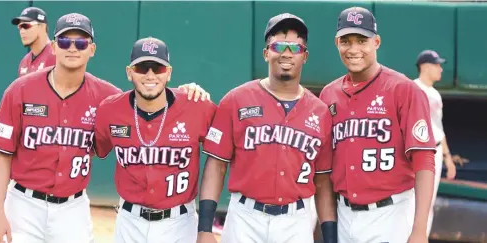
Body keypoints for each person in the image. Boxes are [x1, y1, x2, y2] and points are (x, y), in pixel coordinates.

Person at [0, 13, 207, 243]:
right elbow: (1, 154)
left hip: (72, 209)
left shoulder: (108, 97)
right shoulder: (19, 90)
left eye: (81, 42)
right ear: (53, 46)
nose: (73, 48)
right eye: (64, 41)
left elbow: (148, 101)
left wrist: (187, 92)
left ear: (91, 49)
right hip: (24, 204)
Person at [196, 13, 337, 243]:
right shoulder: (236, 100)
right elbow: (216, 166)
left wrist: (330, 238)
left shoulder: (320, 112)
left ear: (305, 56)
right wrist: (205, 228)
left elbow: (322, 182)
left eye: (295, 47)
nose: (286, 53)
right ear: (266, 53)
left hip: (296, 221)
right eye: (278, 45)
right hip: (245, 217)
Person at [319, 7, 437, 243]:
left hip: (390, 214)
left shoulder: (403, 90)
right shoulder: (328, 95)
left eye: (361, 40)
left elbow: (424, 159)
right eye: (346, 41)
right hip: (344, 214)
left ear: (377, 42)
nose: (353, 49)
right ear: (336, 43)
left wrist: (419, 229)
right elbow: (324, 169)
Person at [94, 37, 216, 243]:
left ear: (168, 73)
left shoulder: (197, 106)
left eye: (157, 68)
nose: (150, 75)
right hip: (129, 222)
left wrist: (205, 226)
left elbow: (223, 153)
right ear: (129, 72)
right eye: (142, 67)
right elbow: (95, 147)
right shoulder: (110, 110)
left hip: (179, 223)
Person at [414, 50, 457, 236]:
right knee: (413, 200)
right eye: (437, 65)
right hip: (417, 153)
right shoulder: (412, 88)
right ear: (425, 66)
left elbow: (438, 128)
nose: (440, 69)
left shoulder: (435, 95)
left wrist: (448, 157)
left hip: (436, 151)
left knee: (428, 201)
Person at [0, 7, 55, 120]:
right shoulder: (25, 62)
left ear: (42, 26)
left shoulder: (55, 56)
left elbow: (54, 103)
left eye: (26, 26)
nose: (22, 31)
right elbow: (26, 99)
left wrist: (14, 110)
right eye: (19, 27)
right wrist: (9, 109)